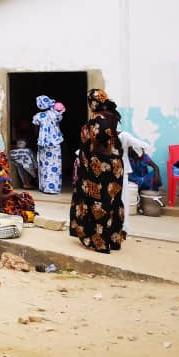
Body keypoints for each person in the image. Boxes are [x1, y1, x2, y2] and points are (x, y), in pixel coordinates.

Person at [70, 89, 126, 254]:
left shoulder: (98, 119)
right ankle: (113, 239)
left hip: (99, 167)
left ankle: (98, 242)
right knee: (112, 201)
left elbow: (102, 144)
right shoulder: (113, 116)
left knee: (96, 202)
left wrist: (94, 160)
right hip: (116, 166)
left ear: (92, 102)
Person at [0, 150, 37, 222]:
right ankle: (28, 214)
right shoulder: (1, 175)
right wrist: (13, 193)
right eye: (4, 158)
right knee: (26, 199)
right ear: (1, 160)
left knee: (23, 197)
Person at [32, 95, 65, 194]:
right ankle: (55, 188)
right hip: (55, 143)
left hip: (43, 144)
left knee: (44, 165)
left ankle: (45, 188)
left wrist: (39, 137)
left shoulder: (38, 116)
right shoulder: (56, 115)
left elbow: (36, 130)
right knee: (56, 165)